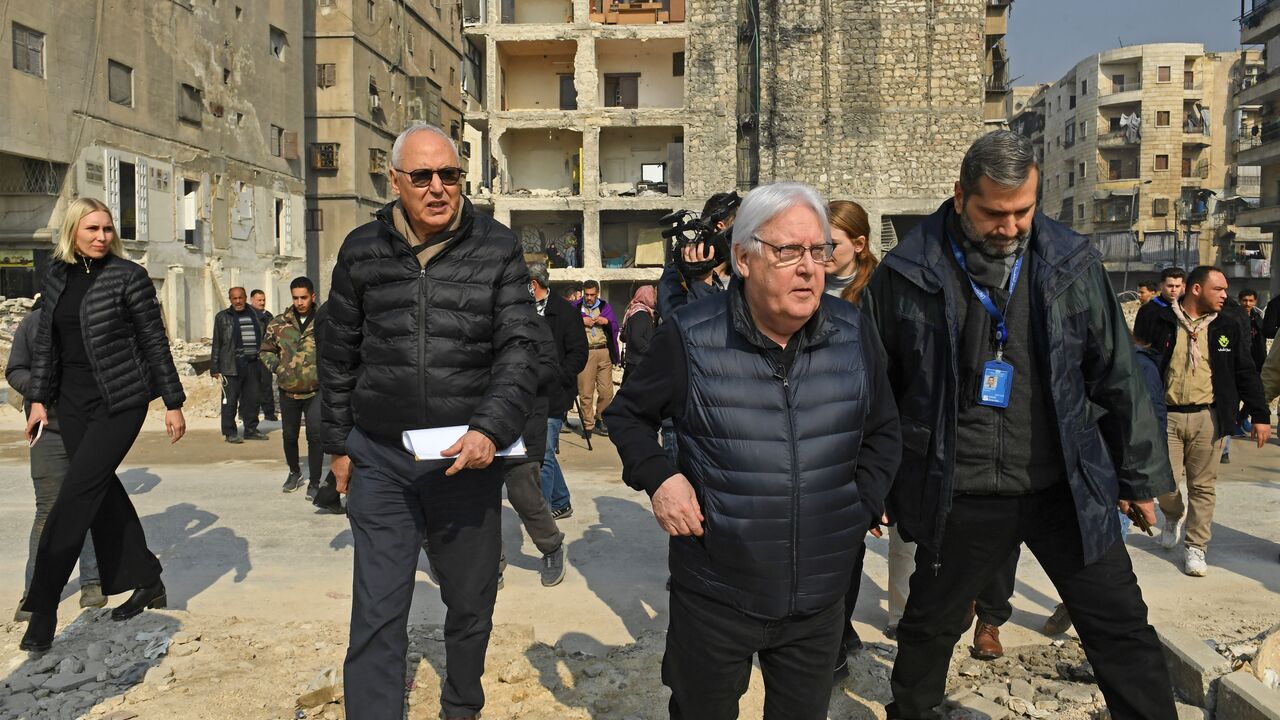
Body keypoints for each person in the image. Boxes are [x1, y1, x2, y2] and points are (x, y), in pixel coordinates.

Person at [863, 131, 1177, 719]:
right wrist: (876, 481)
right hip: (957, 490)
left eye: (1023, 211)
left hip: (1064, 486)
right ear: (960, 197)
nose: (1010, 227)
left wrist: (1138, 480)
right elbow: (875, 389)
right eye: (994, 213)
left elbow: (1117, 375)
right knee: (928, 630)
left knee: (1121, 627)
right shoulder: (906, 270)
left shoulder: (1072, 262)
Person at [604, 182, 902, 719]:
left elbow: (884, 429)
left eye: (819, 251)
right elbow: (626, 414)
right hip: (717, 590)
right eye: (788, 251)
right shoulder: (691, 336)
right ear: (743, 258)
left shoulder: (854, 332)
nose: (810, 267)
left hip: (819, 597)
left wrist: (858, 505)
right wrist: (661, 479)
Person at [320, 122, 539, 720]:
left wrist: (490, 430)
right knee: (377, 607)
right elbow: (337, 354)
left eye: (450, 175)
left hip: (465, 457)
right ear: (395, 182)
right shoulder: (361, 250)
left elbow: (520, 348)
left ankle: (461, 704)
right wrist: (337, 445)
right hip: (382, 458)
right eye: (422, 176)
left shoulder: (496, 247)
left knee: (469, 601)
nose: (438, 187)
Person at [19, 198, 187, 652]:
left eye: (108, 229)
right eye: (92, 228)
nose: (101, 236)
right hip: (70, 404)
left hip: (120, 401)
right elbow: (45, 350)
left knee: (75, 496)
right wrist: (37, 400)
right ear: (73, 231)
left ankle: (43, 608)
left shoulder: (128, 277)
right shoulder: (54, 276)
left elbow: (155, 339)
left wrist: (172, 401)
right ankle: (148, 579)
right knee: (100, 492)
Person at [1134, 265, 1270, 576]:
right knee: (1164, 483)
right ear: (1196, 290)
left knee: (1203, 487)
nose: (1225, 295)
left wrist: (1260, 414)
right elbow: (1139, 364)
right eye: (1218, 289)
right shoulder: (1161, 320)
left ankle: (1196, 546)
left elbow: (1245, 371)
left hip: (1209, 416)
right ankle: (1173, 515)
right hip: (1165, 416)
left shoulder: (1228, 325)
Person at [7, 306, 105, 621]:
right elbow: (15, 369)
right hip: (47, 430)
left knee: (86, 506)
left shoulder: (95, 320)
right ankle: (34, 593)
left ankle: (92, 581)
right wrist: (41, 388)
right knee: (48, 511)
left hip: (89, 428)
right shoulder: (32, 324)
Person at [499, 318, 568, 588]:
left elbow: (550, 368)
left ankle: (551, 548)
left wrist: (507, 377)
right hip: (479, 423)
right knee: (480, 500)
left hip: (523, 421)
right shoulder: (477, 318)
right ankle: (491, 563)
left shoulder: (536, 325)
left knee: (524, 493)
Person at [529, 263, 588, 520]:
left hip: (554, 394)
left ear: (533, 285)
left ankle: (542, 514)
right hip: (528, 392)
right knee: (546, 450)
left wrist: (557, 376)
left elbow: (579, 354)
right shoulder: (523, 309)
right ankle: (562, 501)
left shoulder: (565, 312)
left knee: (542, 455)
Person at [260, 277, 322, 496]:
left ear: (312, 297)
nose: (299, 302)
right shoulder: (278, 324)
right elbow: (266, 351)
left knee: (315, 436)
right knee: (289, 435)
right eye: (295, 298)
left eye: (303, 297)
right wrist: (278, 369)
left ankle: (315, 482)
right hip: (288, 391)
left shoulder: (324, 321)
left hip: (316, 391)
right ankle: (294, 472)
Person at [656, 192, 738, 320]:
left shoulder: (742, 272)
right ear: (720, 226)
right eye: (742, 226)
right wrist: (702, 281)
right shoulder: (677, 274)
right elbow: (679, 326)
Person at [211, 287, 267, 443]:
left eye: (240, 298)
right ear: (230, 300)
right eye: (234, 298)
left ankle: (251, 429)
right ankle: (230, 432)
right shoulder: (222, 317)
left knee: (252, 399)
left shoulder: (256, 316)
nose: (238, 301)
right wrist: (214, 367)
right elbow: (217, 343)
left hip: (253, 363)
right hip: (232, 364)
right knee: (230, 400)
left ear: (245, 298)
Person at [576, 280, 619, 439]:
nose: (589, 298)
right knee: (586, 392)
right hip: (586, 353)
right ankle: (588, 425)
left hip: (603, 351)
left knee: (607, 392)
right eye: (586, 294)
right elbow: (567, 322)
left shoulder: (605, 307)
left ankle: (600, 417)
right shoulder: (576, 307)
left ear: (597, 294)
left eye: (592, 295)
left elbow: (615, 324)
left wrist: (606, 321)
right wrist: (581, 320)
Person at [824, 200, 878, 306]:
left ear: (858, 244)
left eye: (832, 244)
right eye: (818, 243)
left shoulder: (876, 292)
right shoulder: (806, 283)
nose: (823, 251)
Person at [250, 289, 278, 422]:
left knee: (266, 384)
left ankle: (269, 413)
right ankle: (246, 412)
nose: (262, 303)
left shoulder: (268, 316)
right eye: (259, 300)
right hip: (250, 357)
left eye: (263, 300)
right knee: (249, 386)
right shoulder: (248, 316)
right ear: (252, 300)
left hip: (265, 355)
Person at [620, 285, 657, 385]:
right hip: (638, 363)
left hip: (635, 362)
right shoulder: (640, 314)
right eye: (652, 294)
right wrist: (652, 351)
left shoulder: (636, 311)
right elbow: (637, 338)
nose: (655, 298)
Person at [1133, 267, 1184, 340]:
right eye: (1170, 286)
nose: (1174, 290)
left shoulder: (1185, 308)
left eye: (1177, 286)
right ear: (1161, 285)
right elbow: (1139, 340)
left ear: (1182, 286)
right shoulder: (1147, 310)